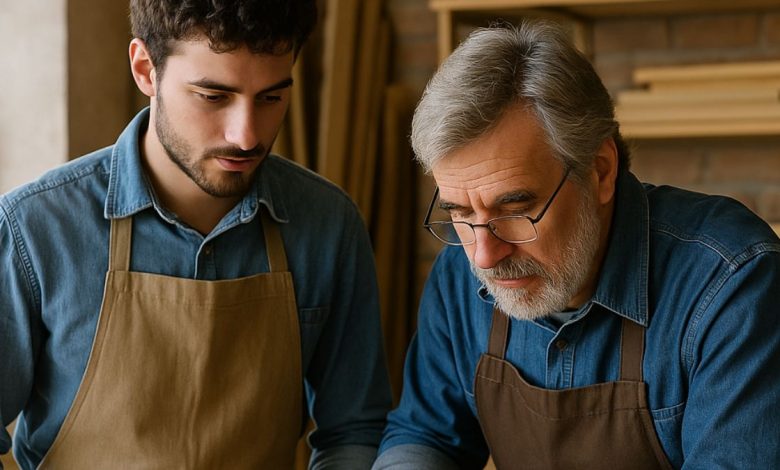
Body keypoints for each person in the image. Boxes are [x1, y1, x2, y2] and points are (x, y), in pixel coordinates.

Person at [0, 1, 392, 468]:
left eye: (270, 97)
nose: (246, 136)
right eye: (213, 96)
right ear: (146, 69)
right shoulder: (36, 227)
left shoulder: (329, 226)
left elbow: (354, 430)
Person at [373, 21, 780, 470]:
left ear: (600, 171)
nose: (485, 257)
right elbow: (426, 434)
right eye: (460, 213)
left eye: (515, 210)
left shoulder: (731, 285)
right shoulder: (459, 272)